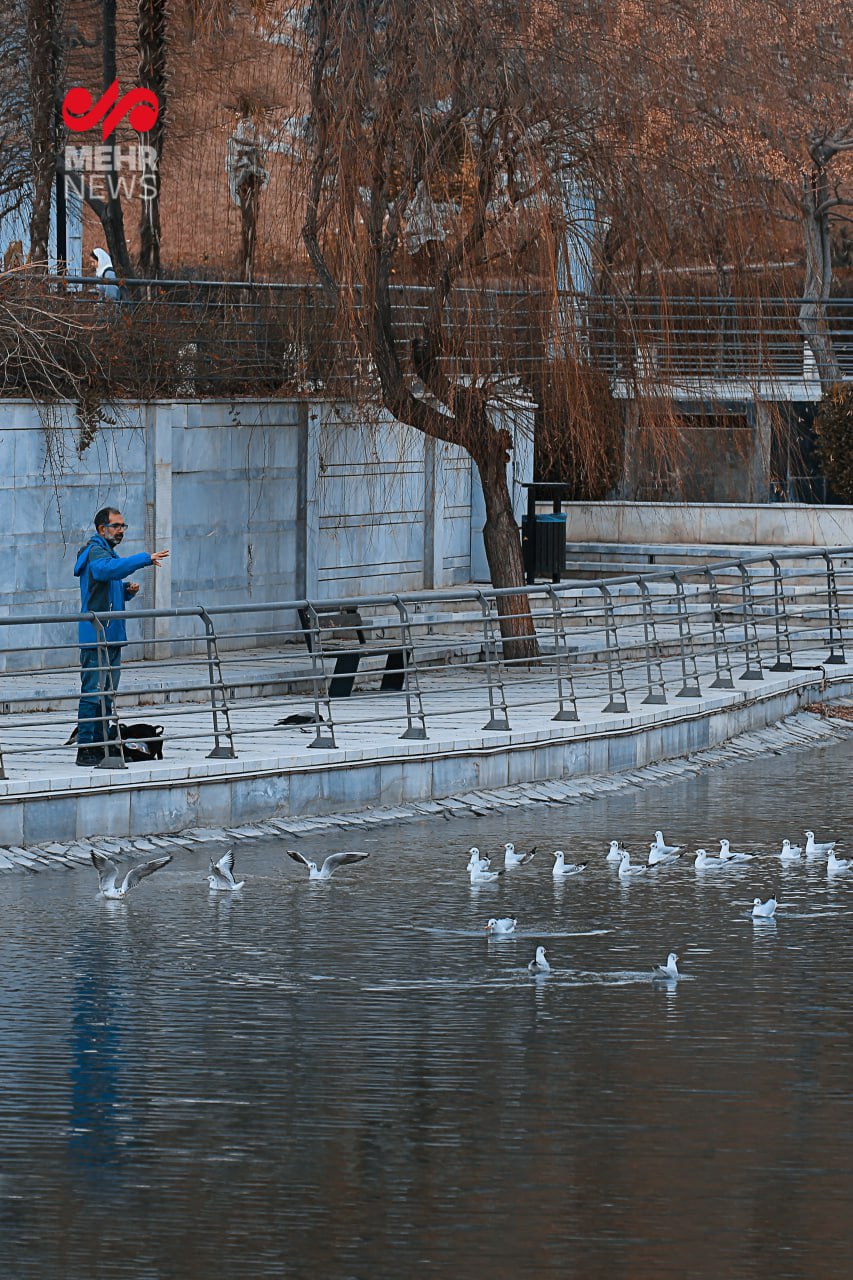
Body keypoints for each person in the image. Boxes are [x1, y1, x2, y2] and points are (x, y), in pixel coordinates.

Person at [73, 507, 169, 766]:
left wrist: (127, 591)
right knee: (93, 693)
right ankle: (85, 748)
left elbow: (108, 584)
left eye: (123, 526)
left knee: (107, 693)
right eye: (116, 526)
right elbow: (106, 572)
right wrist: (144, 559)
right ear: (101, 529)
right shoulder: (96, 552)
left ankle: (101, 742)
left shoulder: (107, 553)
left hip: (112, 636)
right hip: (97, 636)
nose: (120, 530)